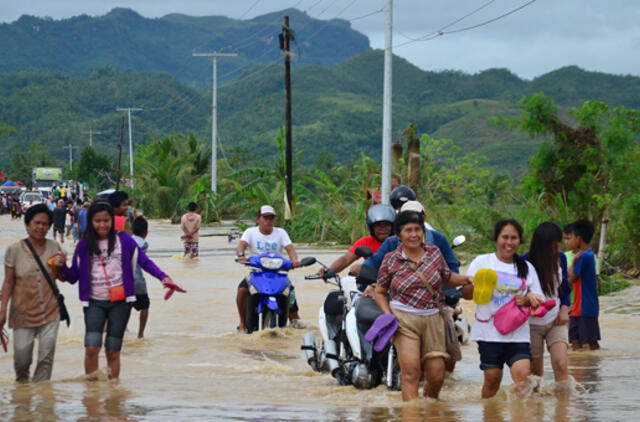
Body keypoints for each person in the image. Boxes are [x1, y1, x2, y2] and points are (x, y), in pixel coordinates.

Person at [57, 201, 181, 379]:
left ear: (112, 220)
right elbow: (73, 277)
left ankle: (113, 395)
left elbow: (144, 262)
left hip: (121, 303)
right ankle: (92, 394)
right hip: (93, 303)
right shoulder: (83, 245)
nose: (102, 225)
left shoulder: (125, 241)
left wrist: (164, 277)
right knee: (91, 348)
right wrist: (60, 268)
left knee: (113, 350)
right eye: (97, 221)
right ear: (91, 222)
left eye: (106, 220)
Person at [375, 211, 472, 401]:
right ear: (398, 235)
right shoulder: (391, 259)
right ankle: (410, 414)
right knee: (411, 372)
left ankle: (429, 409)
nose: (413, 234)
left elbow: (447, 277)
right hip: (403, 319)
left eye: (417, 229)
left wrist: (467, 278)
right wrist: (388, 315)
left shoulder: (434, 252)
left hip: (434, 317)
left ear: (423, 232)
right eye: (408, 230)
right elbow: (380, 291)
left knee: (436, 375)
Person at [466, 219, 544, 399]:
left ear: (519, 241)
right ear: (496, 239)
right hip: (488, 333)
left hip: (518, 333)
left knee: (523, 378)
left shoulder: (527, 267)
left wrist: (527, 299)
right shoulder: (482, 262)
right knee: (492, 381)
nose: (509, 243)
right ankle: (490, 415)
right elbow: (467, 295)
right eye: (505, 237)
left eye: (514, 238)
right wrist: (475, 284)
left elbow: (539, 300)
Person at [0, 204, 67, 382]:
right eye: (36, 223)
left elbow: (61, 278)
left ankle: (43, 398)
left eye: (45, 224)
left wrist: (61, 266)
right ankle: (23, 393)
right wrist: (2, 311)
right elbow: (8, 282)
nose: (41, 227)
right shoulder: (14, 250)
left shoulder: (55, 247)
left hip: (50, 310)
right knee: (22, 360)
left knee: (46, 358)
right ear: (28, 225)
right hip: (21, 312)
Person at [235, 205, 302, 332]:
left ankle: (294, 324)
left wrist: (294, 261)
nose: (269, 221)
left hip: (279, 274)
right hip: (257, 273)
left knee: (290, 294)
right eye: (265, 217)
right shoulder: (250, 232)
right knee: (242, 290)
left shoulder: (281, 232)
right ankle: (243, 323)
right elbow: (241, 246)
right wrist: (241, 256)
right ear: (258, 219)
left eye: (271, 218)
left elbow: (290, 249)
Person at [524, 222, 571, 385]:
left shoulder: (561, 259)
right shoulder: (524, 262)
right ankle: (537, 409)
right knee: (535, 375)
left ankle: (563, 408)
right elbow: (515, 292)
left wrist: (565, 308)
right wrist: (528, 295)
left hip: (556, 320)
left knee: (561, 364)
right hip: (531, 324)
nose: (556, 249)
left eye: (557, 244)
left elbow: (565, 289)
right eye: (552, 246)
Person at [319, 204, 395, 276]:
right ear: (372, 228)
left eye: (386, 225)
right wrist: (329, 270)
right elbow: (346, 259)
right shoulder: (365, 242)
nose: (382, 229)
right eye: (378, 225)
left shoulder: (399, 241)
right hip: (373, 281)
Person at [565, 219, 600, 350]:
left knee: (591, 342)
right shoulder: (587, 255)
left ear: (578, 239)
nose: (568, 241)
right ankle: (578, 368)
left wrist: (573, 264)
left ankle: (594, 367)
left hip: (585, 307)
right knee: (574, 339)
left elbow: (572, 279)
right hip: (578, 306)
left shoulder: (583, 257)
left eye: (571, 237)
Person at [131, 217, 151, 338]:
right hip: (137, 279)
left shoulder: (126, 240)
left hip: (122, 280)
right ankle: (140, 334)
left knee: (125, 305)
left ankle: (123, 329)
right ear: (146, 233)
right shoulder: (144, 244)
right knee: (145, 306)